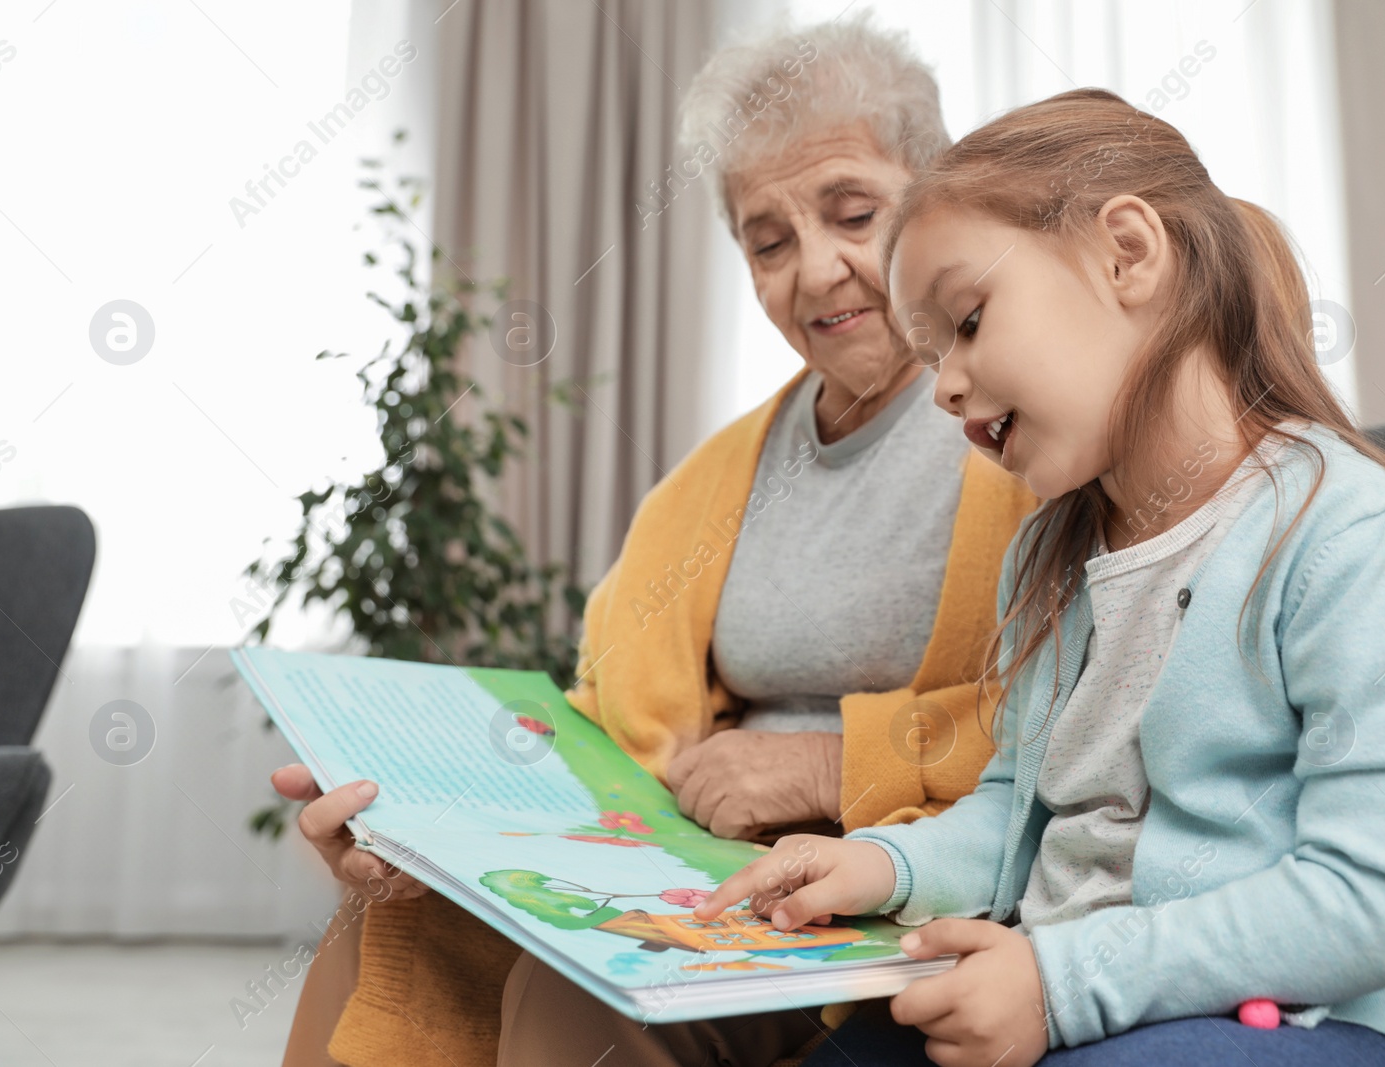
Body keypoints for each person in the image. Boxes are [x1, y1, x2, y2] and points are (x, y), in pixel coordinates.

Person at [271, 16, 1039, 1067]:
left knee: (567, 1002)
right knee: (391, 929)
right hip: (685, 863)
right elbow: (612, 733)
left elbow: (1083, 717)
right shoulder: (712, 480)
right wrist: (420, 824)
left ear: (937, 199)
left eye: (852, 212)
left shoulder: (1020, 428)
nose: (815, 271)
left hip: (877, 882)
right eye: (766, 241)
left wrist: (829, 764)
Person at [697, 87, 1385, 1067]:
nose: (944, 382)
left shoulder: (1351, 542)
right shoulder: (1048, 556)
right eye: (929, 353)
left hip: (1322, 1019)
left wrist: (1060, 981)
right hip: (1089, 989)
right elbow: (1016, 814)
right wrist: (881, 863)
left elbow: (1376, 901)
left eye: (968, 319)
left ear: (1127, 253)